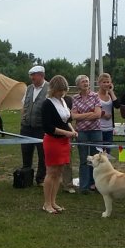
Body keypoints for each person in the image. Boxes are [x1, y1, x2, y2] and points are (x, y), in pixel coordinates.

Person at [41, 75, 76, 214]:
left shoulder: (64, 101)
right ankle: (46, 203)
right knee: (51, 172)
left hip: (64, 141)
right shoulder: (47, 104)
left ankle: (53, 201)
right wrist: (66, 133)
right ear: (53, 90)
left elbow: (67, 120)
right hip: (53, 141)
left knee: (59, 172)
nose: (62, 93)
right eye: (59, 90)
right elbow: (48, 126)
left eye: (64, 90)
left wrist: (72, 130)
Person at [71, 74, 102, 194]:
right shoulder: (75, 98)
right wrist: (90, 114)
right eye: (83, 81)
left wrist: (81, 116)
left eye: (87, 81)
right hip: (82, 132)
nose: (86, 83)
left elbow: (98, 114)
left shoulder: (95, 96)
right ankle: (84, 186)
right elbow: (73, 116)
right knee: (84, 159)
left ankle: (96, 185)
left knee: (97, 159)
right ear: (78, 84)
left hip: (95, 131)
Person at [20, 65, 50, 187]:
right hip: (27, 126)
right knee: (26, 151)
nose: (32, 78)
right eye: (31, 75)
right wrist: (23, 118)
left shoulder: (49, 88)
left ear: (41, 75)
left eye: (34, 75)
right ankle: (26, 176)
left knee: (42, 154)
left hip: (41, 127)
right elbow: (24, 104)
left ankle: (41, 178)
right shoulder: (29, 88)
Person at [97, 73, 119, 155]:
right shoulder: (95, 96)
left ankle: (106, 167)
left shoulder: (110, 95)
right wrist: (103, 114)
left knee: (108, 152)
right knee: (99, 152)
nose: (106, 84)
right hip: (99, 128)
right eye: (104, 82)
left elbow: (117, 105)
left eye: (108, 82)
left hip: (109, 128)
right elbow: (92, 110)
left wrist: (111, 92)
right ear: (99, 83)